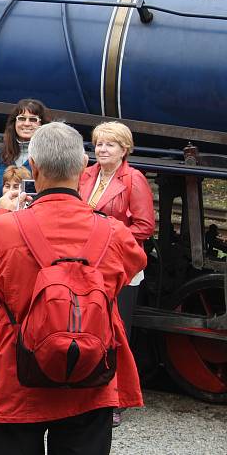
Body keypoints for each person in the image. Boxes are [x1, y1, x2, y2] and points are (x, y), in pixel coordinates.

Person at [0, 122, 146, 455]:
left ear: (34, 167)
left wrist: (5, 213)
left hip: (18, 374)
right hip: (90, 375)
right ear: (82, 168)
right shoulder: (113, 233)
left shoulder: (7, 229)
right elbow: (131, 268)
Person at [78, 121, 154, 427]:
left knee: (115, 333)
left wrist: (107, 230)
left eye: (110, 144)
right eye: (98, 144)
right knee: (88, 329)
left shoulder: (134, 180)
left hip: (119, 266)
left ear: (125, 149)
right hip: (85, 263)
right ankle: (86, 392)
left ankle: (114, 401)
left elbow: (145, 228)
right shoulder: (86, 175)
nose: (102, 149)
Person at [0, 99, 50, 221]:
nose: (26, 123)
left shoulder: (47, 161)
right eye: (21, 118)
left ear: (42, 125)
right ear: (14, 123)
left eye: (33, 119)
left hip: (29, 230)